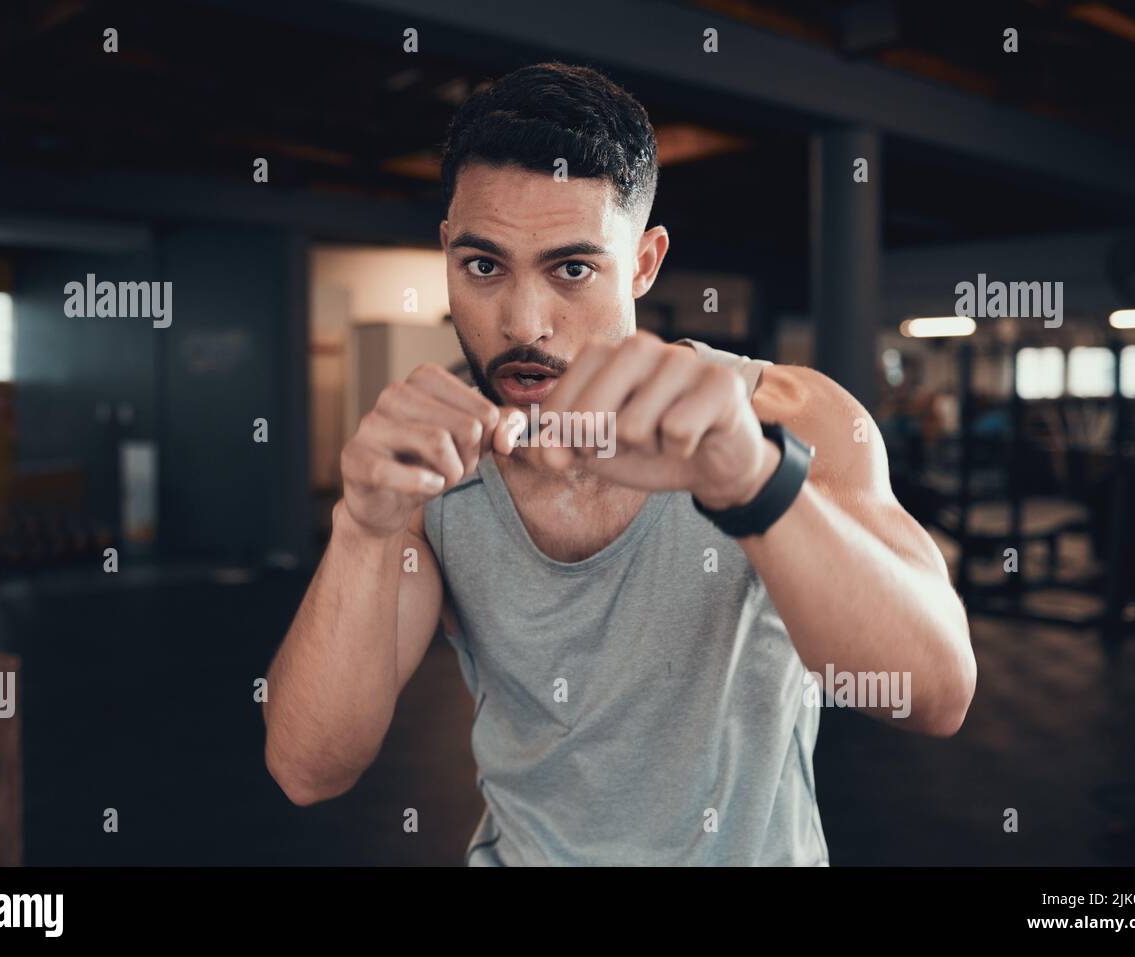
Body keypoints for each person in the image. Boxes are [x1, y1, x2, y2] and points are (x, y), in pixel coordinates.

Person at [263, 62, 975, 866]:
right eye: (484, 266)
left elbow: (937, 695)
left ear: (642, 262)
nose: (523, 322)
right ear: (447, 256)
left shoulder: (786, 415)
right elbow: (307, 770)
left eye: (572, 268)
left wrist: (752, 485)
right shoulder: (432, 468)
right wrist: (361, 526)